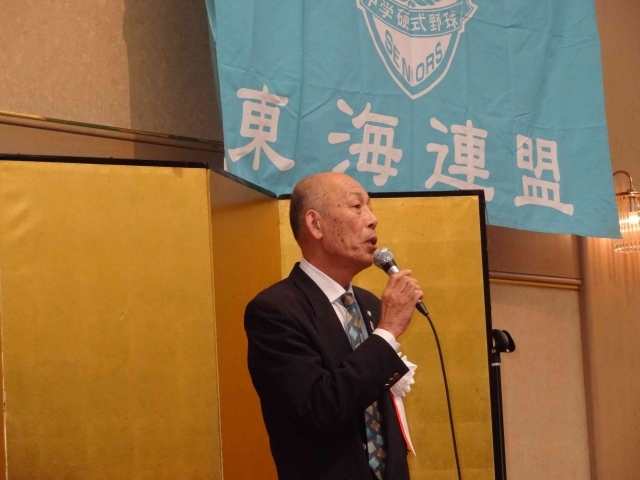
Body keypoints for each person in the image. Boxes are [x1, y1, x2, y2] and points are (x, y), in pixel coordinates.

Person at [244, 172, 423, 480]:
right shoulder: (275, 311)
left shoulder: (369, 304)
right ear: (315, 224)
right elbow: (320, 410)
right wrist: (386, 333)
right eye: (357, 206)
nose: (373, 219)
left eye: (370, 207)